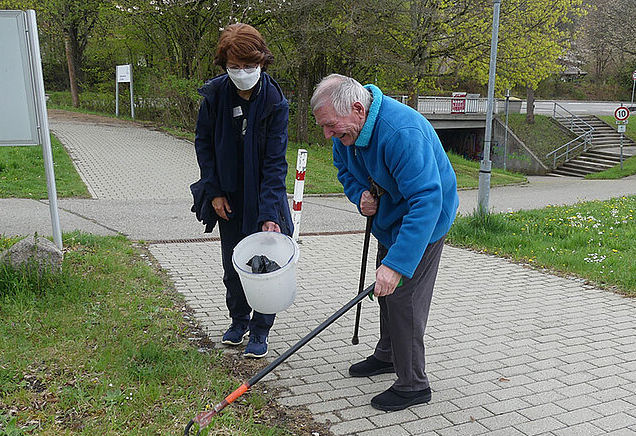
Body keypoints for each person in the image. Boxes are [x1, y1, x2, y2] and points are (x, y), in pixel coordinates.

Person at [310, 74, 459, 411]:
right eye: (324, 127)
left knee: (403, 299)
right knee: (383, 293)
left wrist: (396, 265)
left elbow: (426, 201)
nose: (328, 134)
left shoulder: (400, 133)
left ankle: (413, 384)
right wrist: (359, 194)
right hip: (391, 218)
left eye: (331, 126)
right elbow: (343, 169)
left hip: (426, 221)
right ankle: (388, 356)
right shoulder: (347, 132)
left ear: (358, 109)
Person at [191, 23, 292, 358]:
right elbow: (203, 143)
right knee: (233, 265)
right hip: (228, 196)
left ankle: (261, 330)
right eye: (235, 67)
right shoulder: (215, 95)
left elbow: (276, 162)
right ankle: (238, 320)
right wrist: (215, 190)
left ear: (262, 61)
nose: (243, 73)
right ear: (225, 65)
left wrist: (268, 214)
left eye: (249, 66)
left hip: (264, 196)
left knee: (264, 266)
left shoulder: (275, 102)